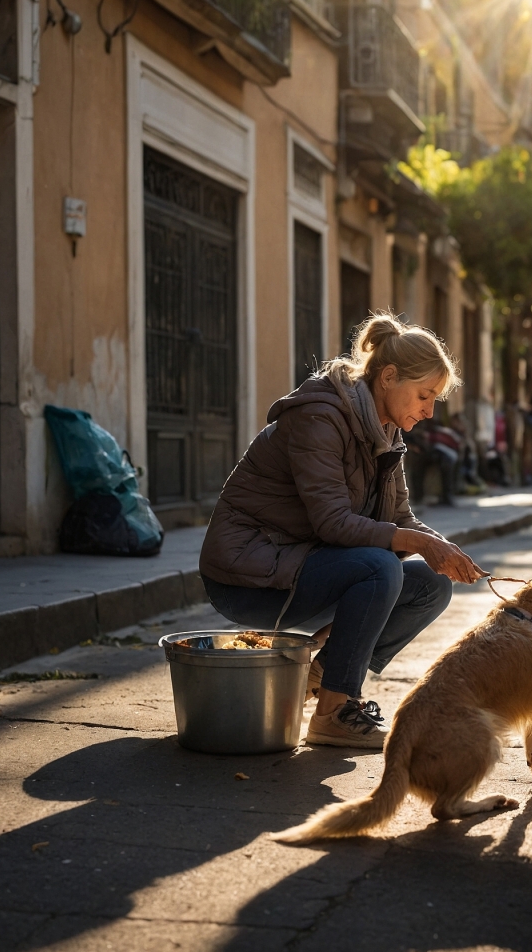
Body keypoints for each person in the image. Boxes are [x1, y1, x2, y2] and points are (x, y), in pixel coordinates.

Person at [198, 314, 487, 748]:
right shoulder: (321, 416)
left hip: (305, 566)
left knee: (430, 584)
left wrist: (441, 549)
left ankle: (324, 672)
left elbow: (401, 519)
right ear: (388, 377)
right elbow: (332, 522)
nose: (429, 411)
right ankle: (334, 710)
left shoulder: (385, 430)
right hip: (247, 576)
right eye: (425, 395)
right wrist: (419, 543)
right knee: (380, 568)